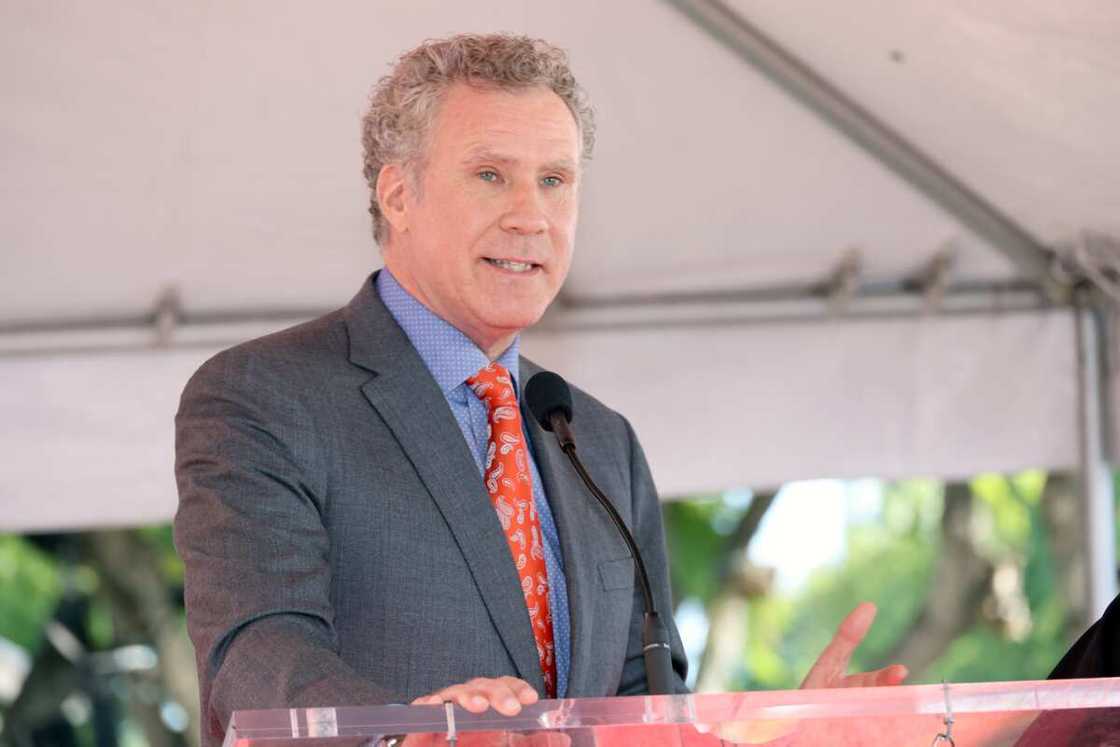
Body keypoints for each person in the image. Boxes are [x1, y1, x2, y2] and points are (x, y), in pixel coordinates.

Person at [173, 33, 905, 747]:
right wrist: (405, 734)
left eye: (554, 180)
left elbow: (642, 710)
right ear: (398, 194)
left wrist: (774, 738)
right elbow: (256, 655)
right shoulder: (263, 396)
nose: (531, 216)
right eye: (491, 174)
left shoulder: (596, 437)